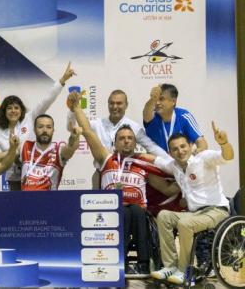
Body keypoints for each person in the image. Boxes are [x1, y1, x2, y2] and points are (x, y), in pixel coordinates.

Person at [69, 92, 166, 276]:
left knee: (135, 211)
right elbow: (88, 131)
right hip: (110, 210)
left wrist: (187, 181)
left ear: (136, 143)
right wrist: (75, 108)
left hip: (138, 211)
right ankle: (119, 261)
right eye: (122, 138)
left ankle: (143, 264)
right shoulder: (106, 158)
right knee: (124, 212)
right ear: (114, 143)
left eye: (130, 138)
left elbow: (166, 185)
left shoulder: (143, 162)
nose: (127, 140)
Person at [0, 62, 76, 190]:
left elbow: (47, 100)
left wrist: (62, 80)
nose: (13, 111)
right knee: (17, 206)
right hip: (13, 176)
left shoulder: (30, 118)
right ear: (4, 111)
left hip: (35, 171)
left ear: (21, 110)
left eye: (16, 108)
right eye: (9, 108)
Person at [149, 125, 233, 285]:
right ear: (170, 153)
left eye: (183, 146)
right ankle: (170, 267)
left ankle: (183, 270)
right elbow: (153, 159)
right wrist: (130, 155)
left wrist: (224, 144)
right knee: (164, 216)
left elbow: (227, 157)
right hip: (195, 214)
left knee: (185, 223)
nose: (180, 151)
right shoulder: (174, 166)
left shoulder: (204, 158)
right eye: (175, 149)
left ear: (190, 146)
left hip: (216, 210)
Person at [20, 114, 80, 191]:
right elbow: (6, 157)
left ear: (53, 130)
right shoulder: (25, 146)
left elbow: (71, 147)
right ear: (34, 130)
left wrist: (75, 136)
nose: (45, 130)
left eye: (49, 127)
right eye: (40, 127)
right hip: (24, 200)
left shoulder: (59, 150)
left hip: (49, 201)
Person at [143, 84, 207, 152]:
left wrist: (193, 156)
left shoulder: (184, 116)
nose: (157, 102)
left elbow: (202, 143)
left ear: (173, 101)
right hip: (157, 161)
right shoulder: (151, 117)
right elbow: (146, 111)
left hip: (180, 160)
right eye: (156, 99)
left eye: (161, 99)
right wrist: (152, 99)